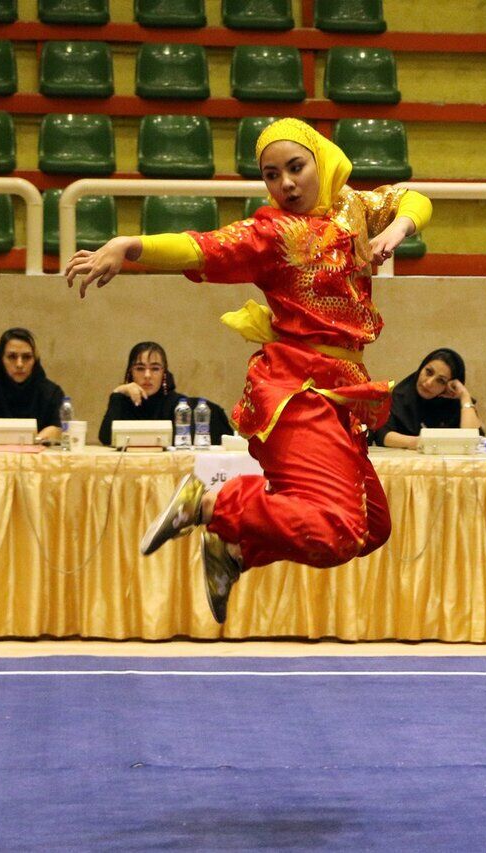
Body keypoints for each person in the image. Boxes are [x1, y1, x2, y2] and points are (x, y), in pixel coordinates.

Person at [65, 117, 432, 623]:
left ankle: (234, 551)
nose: (286, 183)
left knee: (371, 527)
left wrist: (395, 229)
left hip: (340, 393)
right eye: (271, 174)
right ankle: (213, 503)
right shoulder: (273, 233)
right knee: (339, 531)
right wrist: (130, 246)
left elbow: (415, 199)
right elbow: (202, 247)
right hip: (297, 391)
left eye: (295, 167)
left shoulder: (352, 206)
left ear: (320, 160)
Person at [97, 341, 233, 447]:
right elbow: (106, 438)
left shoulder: (179, 406)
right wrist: (117, 393)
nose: (147, 375)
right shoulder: (122, 401)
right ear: (130, 372)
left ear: (164, 373)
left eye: (155, 368)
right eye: (140, 368)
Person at [370, 347, 481, 449]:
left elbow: (472, 441)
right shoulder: (401, 396)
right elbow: (382, 434)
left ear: (449, 386)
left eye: (441, 381)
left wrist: (465, 396)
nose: (428, 383)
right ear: (421, 368)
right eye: (428, 372)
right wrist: (419, 442)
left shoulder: (455, 405)